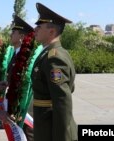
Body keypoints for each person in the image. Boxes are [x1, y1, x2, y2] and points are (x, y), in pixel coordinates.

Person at [31, 3, 78, 141]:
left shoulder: (54, 58)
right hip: (45, 124)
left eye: (39, 26)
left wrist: (62, 137)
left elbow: (62, 101)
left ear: (51, 32)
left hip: (50, 129)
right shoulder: (50, 53)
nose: (35, 29)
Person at [7, 15, 35, 141]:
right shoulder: (15, 54)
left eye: (13, 32)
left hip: (25, 109)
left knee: (27, 136)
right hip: (16, 108)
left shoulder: (27, 59)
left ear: (22, 37)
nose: (10, 34)